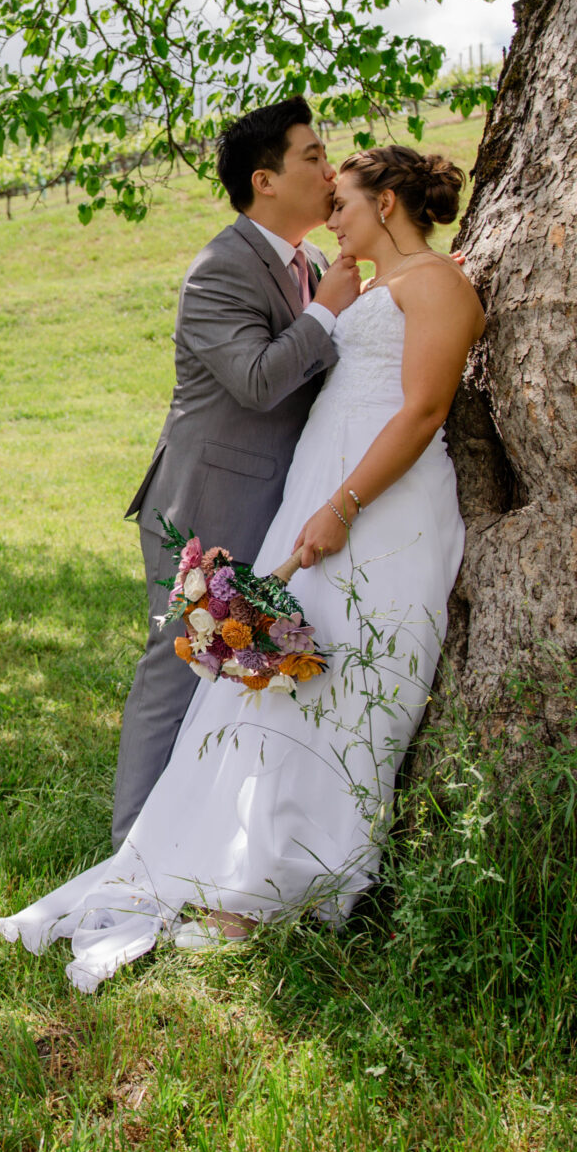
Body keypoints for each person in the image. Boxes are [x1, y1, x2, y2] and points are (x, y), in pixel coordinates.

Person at [0, 141, 484, 993]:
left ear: (392, 203)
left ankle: (297, 875)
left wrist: (344, 505)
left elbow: (423, 410)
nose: (334, 211)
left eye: (348, 199)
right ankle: (235, 862)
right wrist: (319, 504)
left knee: (352, 690)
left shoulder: (439, 283)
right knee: (290, 683)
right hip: (321, 500)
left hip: (383, 507)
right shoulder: (359, 287)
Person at [106, 98, 360, 849]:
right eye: (313, 155)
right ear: (266, 179)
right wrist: (328, 315)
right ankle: (130, 848)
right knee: (178, 660)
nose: (329, 166)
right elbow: (254, 380)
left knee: (244, 667)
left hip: (277, 502)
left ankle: (206, 836)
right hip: (204, 500)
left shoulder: (308, 265)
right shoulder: (220, 268)